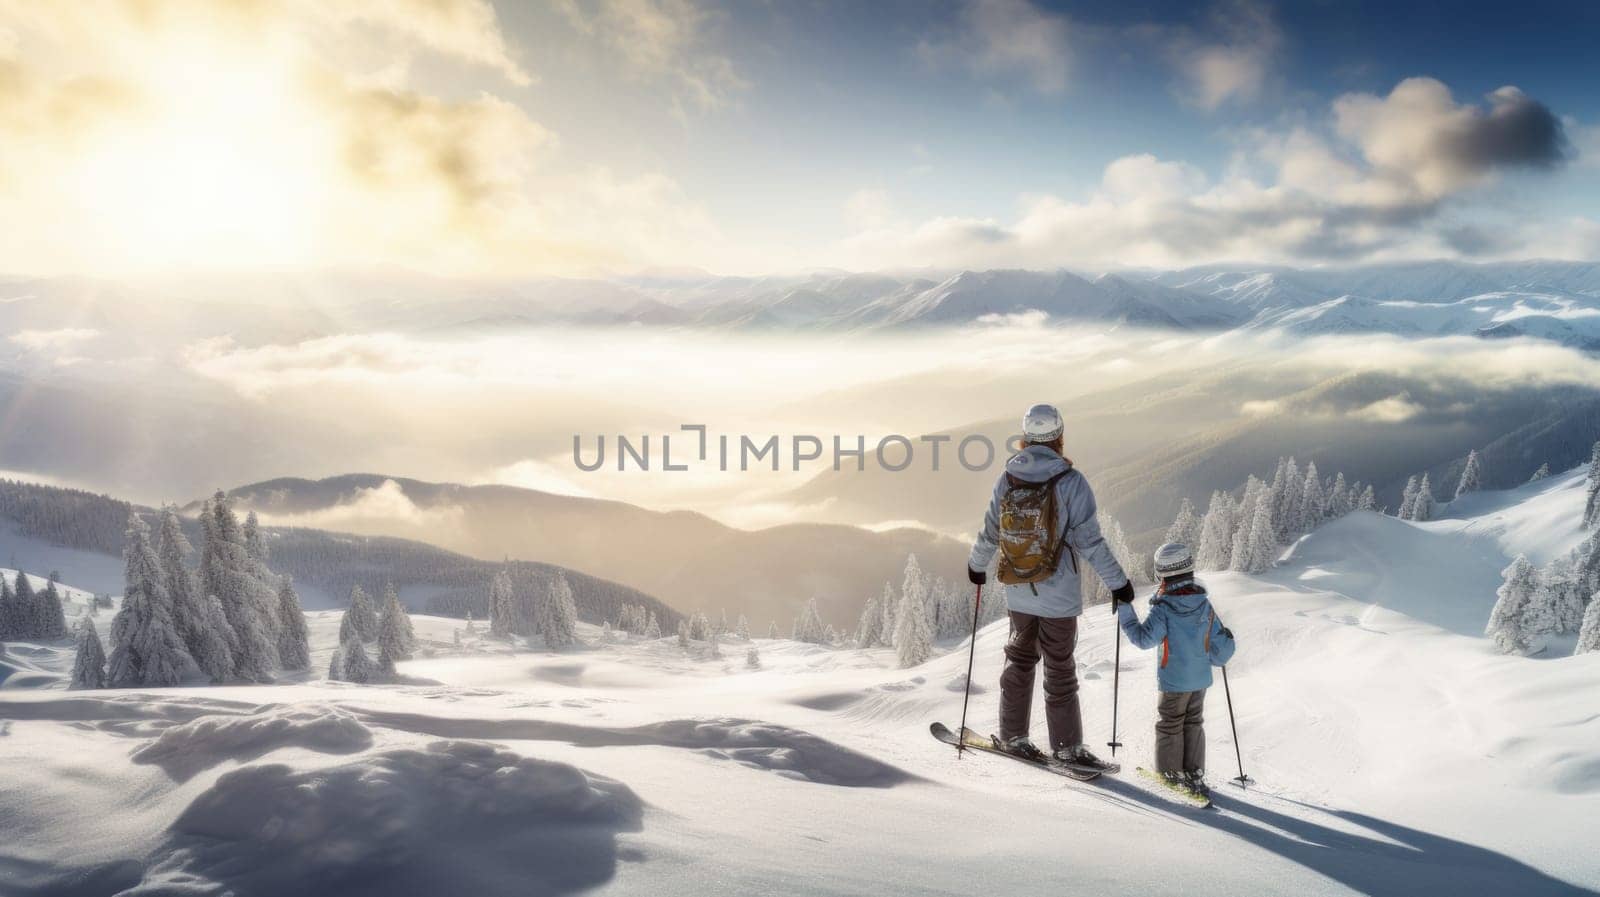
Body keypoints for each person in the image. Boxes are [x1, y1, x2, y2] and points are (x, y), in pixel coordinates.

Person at [967, 403, 1134, 771]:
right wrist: (1118, 583)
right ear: (1059, 437)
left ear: (1025, 438)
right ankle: (1066, 748)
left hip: (1018, 590)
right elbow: (1090, 543)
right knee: (1059, 669)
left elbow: (991, 530)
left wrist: (976, 567)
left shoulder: (1008, 478)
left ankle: (1013, 735)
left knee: (1019, 660)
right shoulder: (1071, 482)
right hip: (1058, 596)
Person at [1115, 541, 1236, 796]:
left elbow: (1142, 639)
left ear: (1163, 574)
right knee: (1193, 722)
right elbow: (1220, 652)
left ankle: (1170, 775)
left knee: (1170, 724)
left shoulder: (1165, 609)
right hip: (1200, 681)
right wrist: (1227, 638)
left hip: (1174, 682)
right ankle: (1194, 773)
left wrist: (1125, 609)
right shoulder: (1204, 605)